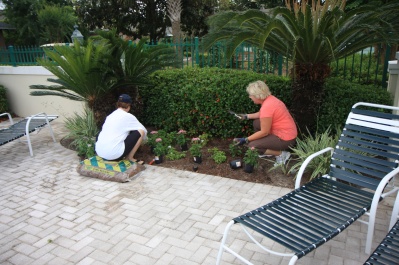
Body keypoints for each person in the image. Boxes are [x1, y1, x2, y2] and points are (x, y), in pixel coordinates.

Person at [233, 80, 297, 166]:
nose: (249, 97)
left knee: (252, 146)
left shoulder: (267, 106)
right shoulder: (270, 99)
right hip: (286, 132)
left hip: (285, 138)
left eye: (251, 95)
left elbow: (264, 132)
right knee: (256, 123)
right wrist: (246, 116)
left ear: (257, 96)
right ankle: (267, 148)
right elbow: (262, 114)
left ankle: (282, 154)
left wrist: (245, 139)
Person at [95, 94, 147, 163]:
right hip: (115, 155)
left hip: (100, 152)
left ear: (118, 104)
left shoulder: (110, 116)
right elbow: (143, 130)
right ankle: (130, 158)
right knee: (141, 131)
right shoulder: (128, 116)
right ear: (128, 106)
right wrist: (145, 141)